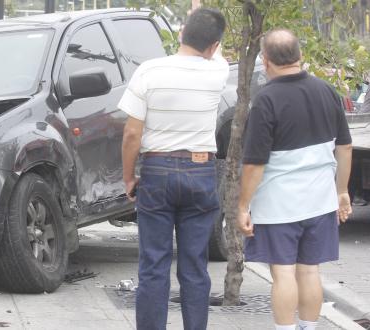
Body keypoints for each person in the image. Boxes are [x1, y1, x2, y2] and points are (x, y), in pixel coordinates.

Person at [119, 8, 228, 330]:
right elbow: (214, 49)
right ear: (214, 45)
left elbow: (131, 134)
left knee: (153, 264)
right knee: (195, 266)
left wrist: (128, 177)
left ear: (180, 33)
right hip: (200, 172)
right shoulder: (217, 72)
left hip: (157, 171)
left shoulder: (149, 71)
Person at [237, 29, 353, 330]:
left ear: (265, 60)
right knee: (310, 271)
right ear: (300, 55)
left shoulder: (266, 101)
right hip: (320, 200)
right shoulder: (328, 91)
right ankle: (310, 327)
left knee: (284, 273)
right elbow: (345, 146)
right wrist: (341, 191)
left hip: (279, 203)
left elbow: (254, 164)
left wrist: (243, 206)